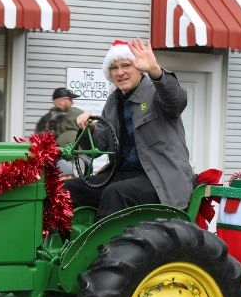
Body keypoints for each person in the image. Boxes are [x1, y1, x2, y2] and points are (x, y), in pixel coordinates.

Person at [63, 37, 193, 219]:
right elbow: (101, 147)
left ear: (140, 69)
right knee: (68, 189)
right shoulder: (113, 102)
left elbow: (176, 100)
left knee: (115, 193)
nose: (120, 72)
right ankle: (63, 244)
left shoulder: (156, 92)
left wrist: (156, 71)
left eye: (126, 66)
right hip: (123, 174)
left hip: (160, 177)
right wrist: (89, 128)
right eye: (114, 68)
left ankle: (105, 247)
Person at [35, 87, 83, 176]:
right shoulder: (74, 117)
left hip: (48, 167)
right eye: (70, 100)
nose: (72, 102)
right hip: (67, 166)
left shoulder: (44, 119)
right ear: (61, 101)